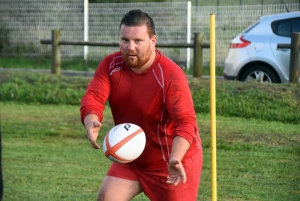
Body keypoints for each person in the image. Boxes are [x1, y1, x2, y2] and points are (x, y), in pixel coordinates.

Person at [80, 9, 203, 201]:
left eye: (138, 41)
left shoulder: (171, 76)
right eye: (125, 40)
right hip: (130, 156)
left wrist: (176, 158)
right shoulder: (111, 64)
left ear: (153, 40)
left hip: (172, 163)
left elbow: (186, 122)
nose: (130, 47)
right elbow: (94, 96)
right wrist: (91, 120)